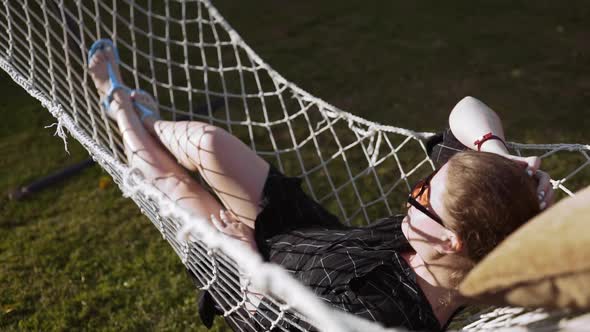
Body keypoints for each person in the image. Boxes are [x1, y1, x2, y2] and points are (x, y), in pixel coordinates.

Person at [88, 39, 554, 331]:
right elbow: (466, 108)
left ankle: (123, 112)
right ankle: (152, 121)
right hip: (310, 237)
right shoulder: (468, 226)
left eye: (423, 196)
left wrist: (247, 258)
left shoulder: (386, 321)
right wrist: (497, 155)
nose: (411, 197)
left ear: (452, 239)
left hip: (256, 283)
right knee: (208, 142)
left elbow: (266, 321)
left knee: (167, 185)